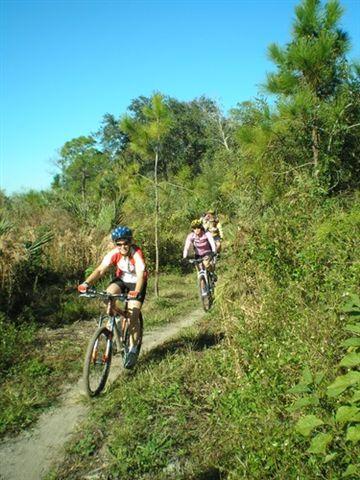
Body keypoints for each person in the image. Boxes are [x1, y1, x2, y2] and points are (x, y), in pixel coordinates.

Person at [78, 226, 147, 369]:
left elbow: (141, 275)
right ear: (116, 244)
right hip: (121, 280)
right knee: (107, 294)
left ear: (130, 242)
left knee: (132, 316)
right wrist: (86, 283)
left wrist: (137, 291)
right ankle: (114, 318)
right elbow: (100, 270)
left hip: (136, 284)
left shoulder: (136, 253)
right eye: (119, 244)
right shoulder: (114, 253)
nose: (123, 247)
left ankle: (133, 348)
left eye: (125, 243)